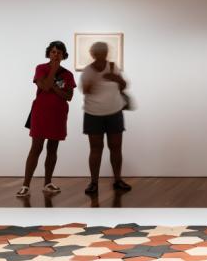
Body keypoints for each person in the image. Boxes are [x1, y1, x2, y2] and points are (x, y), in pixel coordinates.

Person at [19, 40, 75, 197]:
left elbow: (69, 96)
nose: (56, 54)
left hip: (58, 114)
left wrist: (54, 87)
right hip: (40, 113)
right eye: (53, 51)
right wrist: (53, 71)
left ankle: (47, 183)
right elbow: (43, 87)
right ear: (49, 53)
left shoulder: (68, 74)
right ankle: (26, 185)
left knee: (53, 149)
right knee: (36, 148)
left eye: (59, 52)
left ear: (64, 55)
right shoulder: (41, 68)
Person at [81, 41, 132, 195]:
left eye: (103, 51)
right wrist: (93, 81)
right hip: (93, 114)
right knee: (96, 149)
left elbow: (123, 85)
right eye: (98, 52)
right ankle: (94, 183)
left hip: (114, 112)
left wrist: (116, 78)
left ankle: (118, 180)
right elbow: (85, 90)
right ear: (93, 54)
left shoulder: (112, 67)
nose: (100, 54)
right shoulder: (88, 71)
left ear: (106, 53)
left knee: (116, 148)